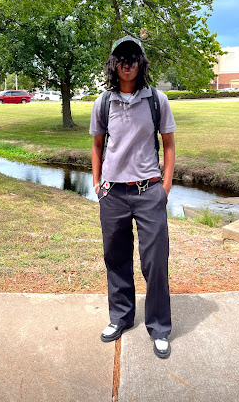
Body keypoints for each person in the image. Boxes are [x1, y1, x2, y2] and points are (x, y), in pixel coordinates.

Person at [89, 35, 176, 359]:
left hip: (148, 192)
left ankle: (159, 327)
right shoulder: (104, 102)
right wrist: (98, 184)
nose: (127, 64)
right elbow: (97, 145)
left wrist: (164, 188)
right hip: (113, 194)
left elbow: (168, 145)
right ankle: (121, 318)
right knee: (116, 258)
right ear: (114, 64)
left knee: (155, 262)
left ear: (142, 62)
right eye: (121, 58)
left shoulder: (157, 100)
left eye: (133, 57)